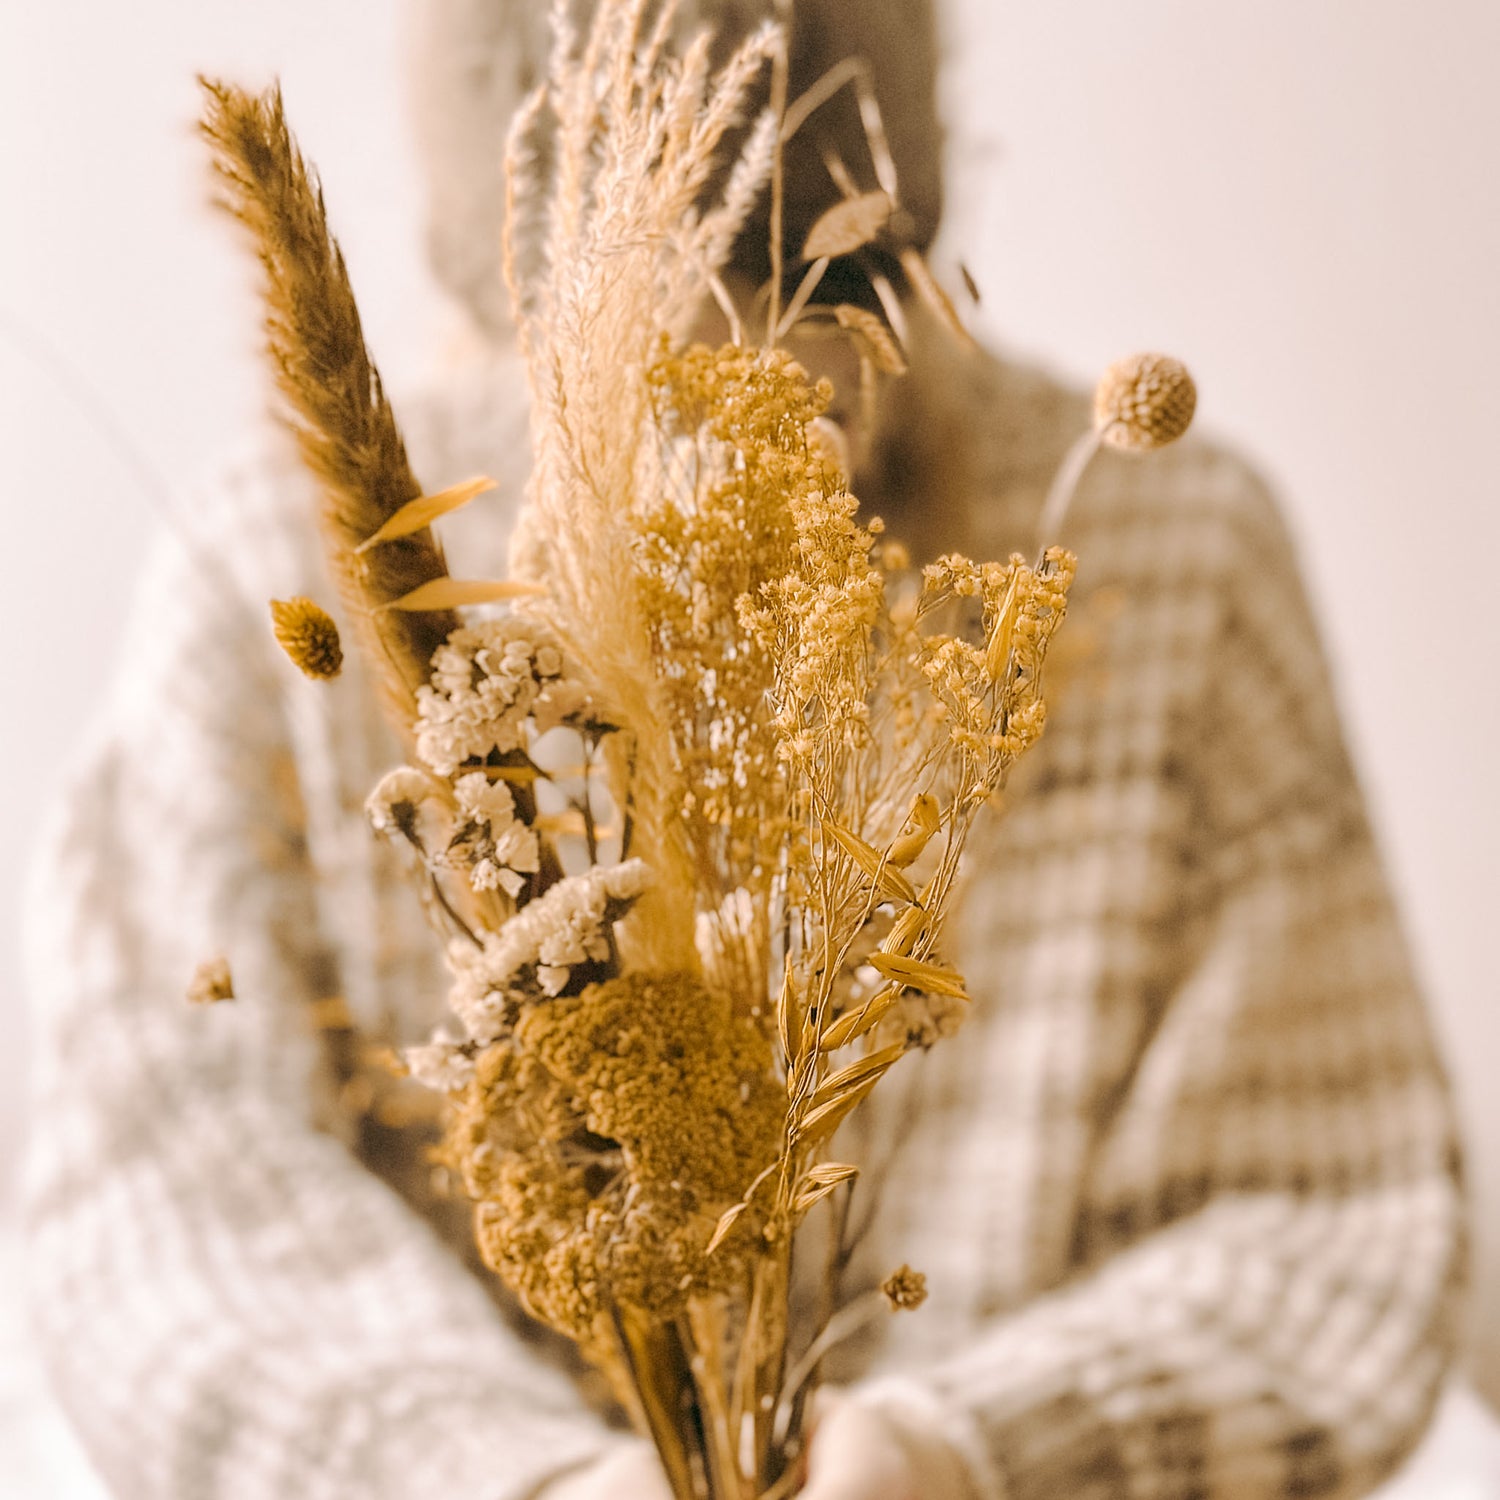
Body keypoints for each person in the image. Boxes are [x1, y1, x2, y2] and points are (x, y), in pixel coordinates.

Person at [22, 2, 1465, 1497]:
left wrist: (962, 1456)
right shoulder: (271, 577)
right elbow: (158, 1200)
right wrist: (509, 1479)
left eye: (812, 363)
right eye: (618, 373)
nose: (732, 460)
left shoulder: (1166, 552)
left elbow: (1330, 1211)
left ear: (905, 254)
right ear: (492, 289)